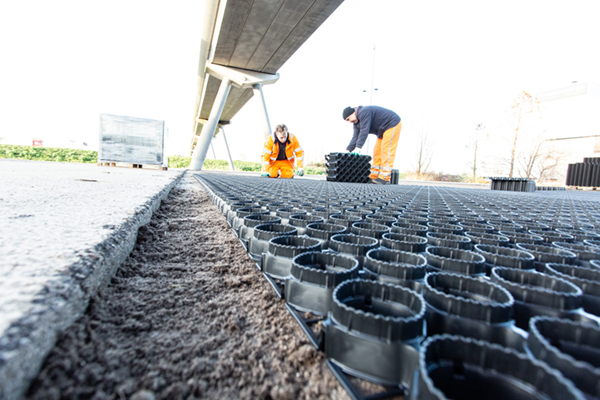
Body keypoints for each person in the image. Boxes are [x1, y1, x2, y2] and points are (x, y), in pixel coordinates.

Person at [343, 105, 402, 185]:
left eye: (348, 119)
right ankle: (374, 176)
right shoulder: (356, 123)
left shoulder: (364, 112)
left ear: (353, 113)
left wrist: (358, 147)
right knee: (376, 152)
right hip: (382, 131)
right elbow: (355, 137)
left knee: (386, 150)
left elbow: (364, 131)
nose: (349, 121)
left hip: (391, 124)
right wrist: (348, 150)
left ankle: (384, 178)